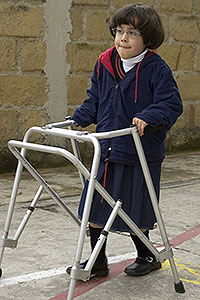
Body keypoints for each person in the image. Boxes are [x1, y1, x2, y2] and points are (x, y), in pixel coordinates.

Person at [67, 4, 183, 278]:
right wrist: (79, 118)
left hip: (139, 151)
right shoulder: (105, 62)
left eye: (132, 33)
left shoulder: (156, 68)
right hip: (105, 149)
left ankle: (147, 255)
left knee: (135, 206)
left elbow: (171, 103)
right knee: (95, 206)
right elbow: (95, 98)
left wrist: (149, 116)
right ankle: (97, 260)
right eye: (119, 31)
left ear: (148, 38)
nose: (123, 38)